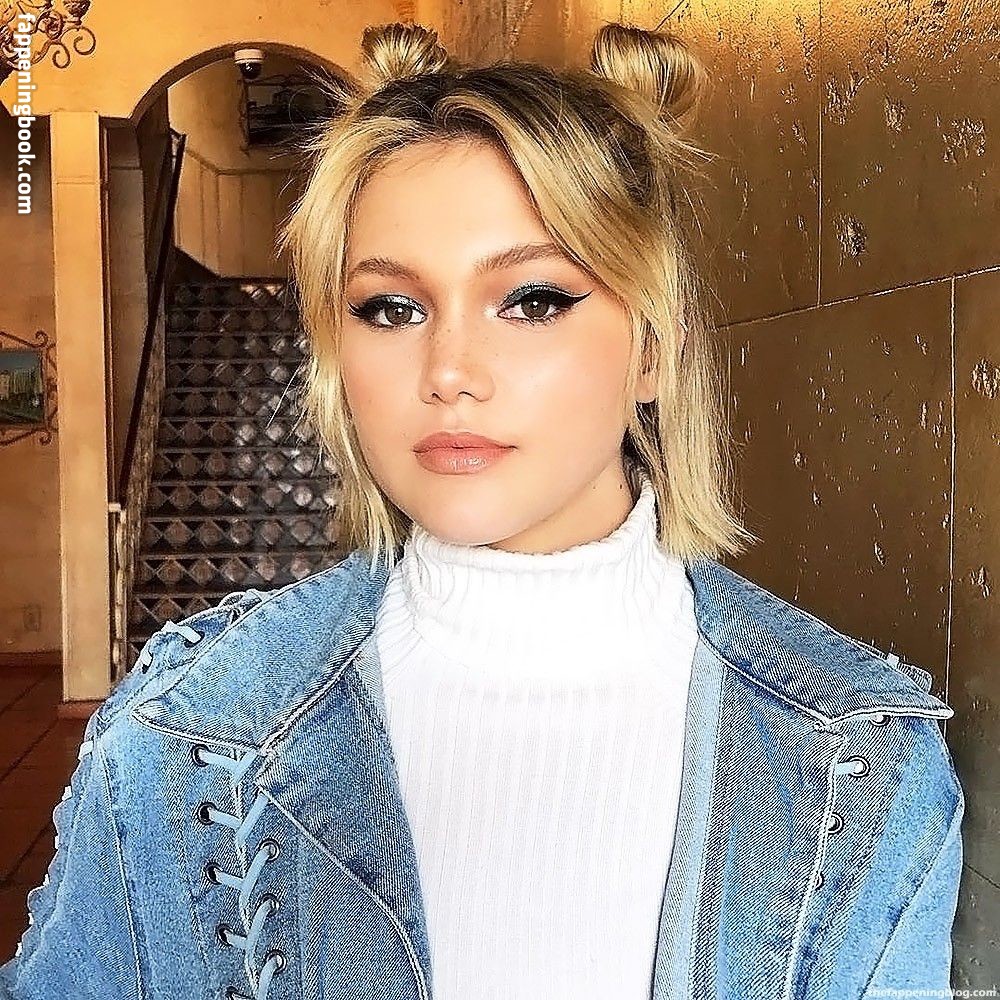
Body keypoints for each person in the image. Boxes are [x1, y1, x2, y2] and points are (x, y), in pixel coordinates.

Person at [0, 19, 963, 1000]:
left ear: (653, 346)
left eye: (532, 299)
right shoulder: (183, 733)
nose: (448, 371)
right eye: (391, 308)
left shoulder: (860, 758)